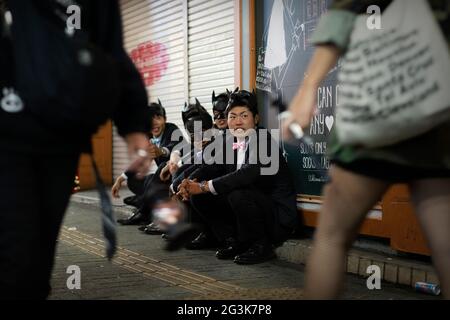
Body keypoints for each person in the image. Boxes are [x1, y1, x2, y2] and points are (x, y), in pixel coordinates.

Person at [286, 0, 450, 299]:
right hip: (437, 118)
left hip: (373, 116)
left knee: (332, 239)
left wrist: (307, 89)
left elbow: (343, 16)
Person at [0, 0, 153, 299]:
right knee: (13, 253)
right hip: (6, 137)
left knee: (39, 259)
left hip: (60, 139)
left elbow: (111, 51)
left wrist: (134, 125)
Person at [179, 90, 300, 264]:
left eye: (244, 115)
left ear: (256, 119)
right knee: (200, 197)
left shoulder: (263, 139)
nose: (237, 122)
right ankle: (233, 240)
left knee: (237, 193)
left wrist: (205, 186)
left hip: (276, 216)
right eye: (232, 116)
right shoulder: (231, 141)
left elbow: (247, 174)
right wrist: (189, 183)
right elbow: (210, 167)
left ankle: (262, 246)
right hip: (251, 206)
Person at [114, 101, 182, 226]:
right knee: (133, 179)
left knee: (156, 173)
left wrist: (161, 151)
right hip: (160, 180)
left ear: (165, 119)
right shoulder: (148, 135)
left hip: (176, 179)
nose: (154, 122)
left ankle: (143, 212)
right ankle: (145, 201)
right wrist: (121, 178)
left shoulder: (172, 130)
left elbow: (175, 146)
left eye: (158, 117)